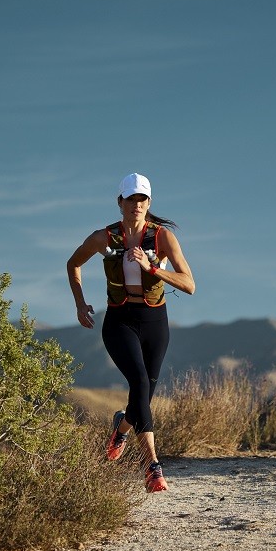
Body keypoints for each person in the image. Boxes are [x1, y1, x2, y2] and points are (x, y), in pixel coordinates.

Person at [66, 173, 195, 493]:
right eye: (130, 199)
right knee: (138, 382)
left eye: (142, 199)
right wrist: (80, 303)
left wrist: (153, 269)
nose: (136, 204)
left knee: (144, 395)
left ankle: (121, 428)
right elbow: (73, 263)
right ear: (120, 202)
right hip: (119, 321)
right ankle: (153, 466)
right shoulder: (104, 238)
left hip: (155, 321)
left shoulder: (162, 238)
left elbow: (189, 284)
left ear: (149, 203)